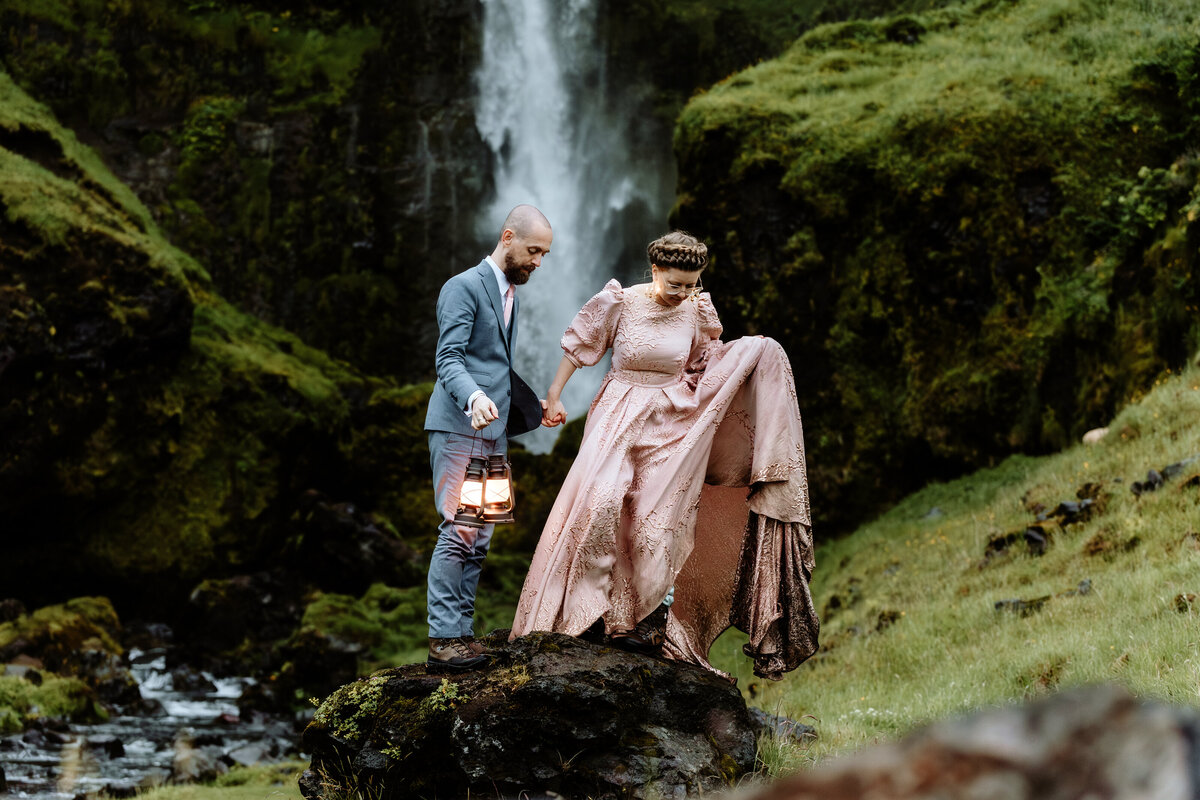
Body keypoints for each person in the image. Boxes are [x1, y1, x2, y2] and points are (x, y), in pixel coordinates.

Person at [511, 231, 818, 681]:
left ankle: (633, 622)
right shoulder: (621, 301)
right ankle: (580, 613)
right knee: (599, 504)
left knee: (655, 521)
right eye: (675, 284)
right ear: (655, 271)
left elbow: (705, 361)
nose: (683, 294)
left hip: (671, 419)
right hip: (618, 413)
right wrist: (554, 395)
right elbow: (580, 349)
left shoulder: (696, 308)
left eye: (691, 285)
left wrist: (756, 354)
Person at [424, 204, 552, 671]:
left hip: (494, 433)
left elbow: (493, 364)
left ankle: (462, 633)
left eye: (545, 254)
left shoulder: (509, 292)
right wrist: (474, 398)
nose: (539, 261)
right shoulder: (462, 287)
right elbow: (449, 359)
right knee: (458, 530)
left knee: (480, 537)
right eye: (533, 250)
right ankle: (442, 640)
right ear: (507, 236)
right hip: (460, 427)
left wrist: (529, 405)